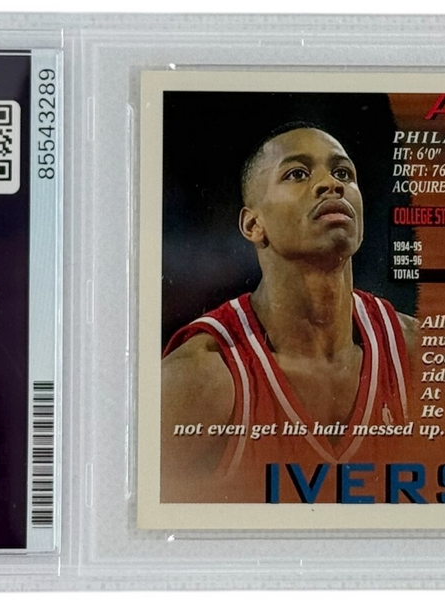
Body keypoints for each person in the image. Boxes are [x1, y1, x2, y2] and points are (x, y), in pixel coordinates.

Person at [160, 124, 418, 500]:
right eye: (297, 173)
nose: (331, 184)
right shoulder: (201, 377)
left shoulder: (416, 353)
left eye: (343, 172)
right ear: (253, 225)